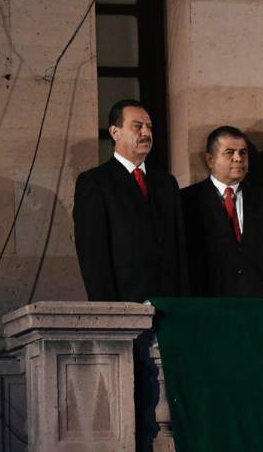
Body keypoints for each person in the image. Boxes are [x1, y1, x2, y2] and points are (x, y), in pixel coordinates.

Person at [73, 99, 187, 301]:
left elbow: (179, 248)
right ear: (115, 132)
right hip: (124, 305)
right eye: (138, 126)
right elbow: (93, 255)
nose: (146, 133)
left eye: (149, 127)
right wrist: (107, 311)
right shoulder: (95, 182)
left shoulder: (166, 183)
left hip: (170, 304)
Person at [181, 126, 263, 298]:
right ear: (210, 160)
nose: (238, 158)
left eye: (243, 153)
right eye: (229, 152)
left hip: (259, 302)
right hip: (209, 303)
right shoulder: (186, 200)